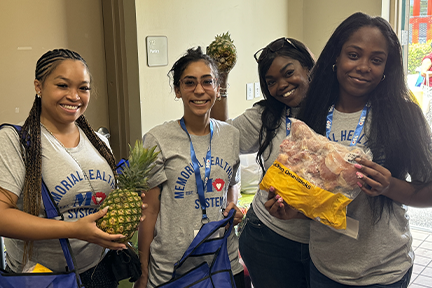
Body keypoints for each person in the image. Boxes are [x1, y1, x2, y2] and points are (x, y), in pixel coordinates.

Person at [283, 12, 432, 287]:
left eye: (376, 60)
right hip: (325, 266)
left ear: (387, 67)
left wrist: (389, 186)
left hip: (384, 271)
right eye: (354, 55)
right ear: (336, 58)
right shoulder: (313, 112)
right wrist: (294, 210)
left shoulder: (404, 115)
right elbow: (310, 189)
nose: (364, 67)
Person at [0, 48, 145, 288]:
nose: (74, 96)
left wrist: (128, 208)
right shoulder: (15, 140)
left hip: (101, 272)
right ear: (38, 86)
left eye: (83, 88)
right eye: (63, 85)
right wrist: (73, 229)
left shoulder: (99, 141)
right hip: (44, 278)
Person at [134, 47, 245, 288]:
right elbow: (150, 210)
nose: (199, 90)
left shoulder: (231, 135)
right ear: (177, 90)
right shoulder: (157, 139)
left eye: (207, 82)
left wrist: (231, 205)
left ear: (217, 88)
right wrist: (143, 271)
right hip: (173, 267)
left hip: (223, 263)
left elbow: (232, 184)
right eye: (189, 83)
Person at [211, 38, 315, 288]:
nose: (282, 85)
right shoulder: (266, 117)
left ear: (309, 68)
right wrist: (222, 83)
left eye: (288, 73)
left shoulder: (339, 111)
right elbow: (219, 137)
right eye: (271, 82)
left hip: (327, 246)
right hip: (269, 240)